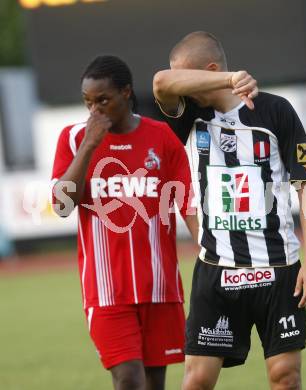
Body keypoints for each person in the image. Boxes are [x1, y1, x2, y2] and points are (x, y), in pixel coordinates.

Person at [153, 31, 306, 390]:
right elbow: (161, 82)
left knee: (285, 378)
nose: (185, 85)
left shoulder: (276, 110)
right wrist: (229, 79)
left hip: (277, 268)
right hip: (217, 270)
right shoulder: (189, 113)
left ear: (209, 68)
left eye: (190, 75)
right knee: (196, 381)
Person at [51, 55, 198, 390]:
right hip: (106, 292)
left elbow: (187, 202)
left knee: (153, 382)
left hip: (160, 286)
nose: (95, 111)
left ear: (127, 93)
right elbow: (61, 205)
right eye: (88, 102)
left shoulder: (161, 138)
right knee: (128, 378)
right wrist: (90, 144)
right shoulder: (74, 139)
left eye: (103, 100)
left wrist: (207, 251)